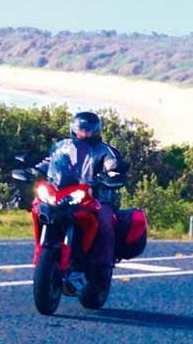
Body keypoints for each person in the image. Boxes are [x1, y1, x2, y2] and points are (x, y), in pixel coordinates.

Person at [31, 111, 126, 266]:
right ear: (74, 129)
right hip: (65, 192)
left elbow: (113, 164)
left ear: (96, 130)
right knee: (40, 204)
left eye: (88, 129)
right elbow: (51, 161)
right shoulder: (66, 148)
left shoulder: (105, 150)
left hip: (97, 197)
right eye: (81, 129)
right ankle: (42, 254)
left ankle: (103, 265)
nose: (84, 132)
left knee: (105, 220)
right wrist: (35, 170)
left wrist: (112, 173)